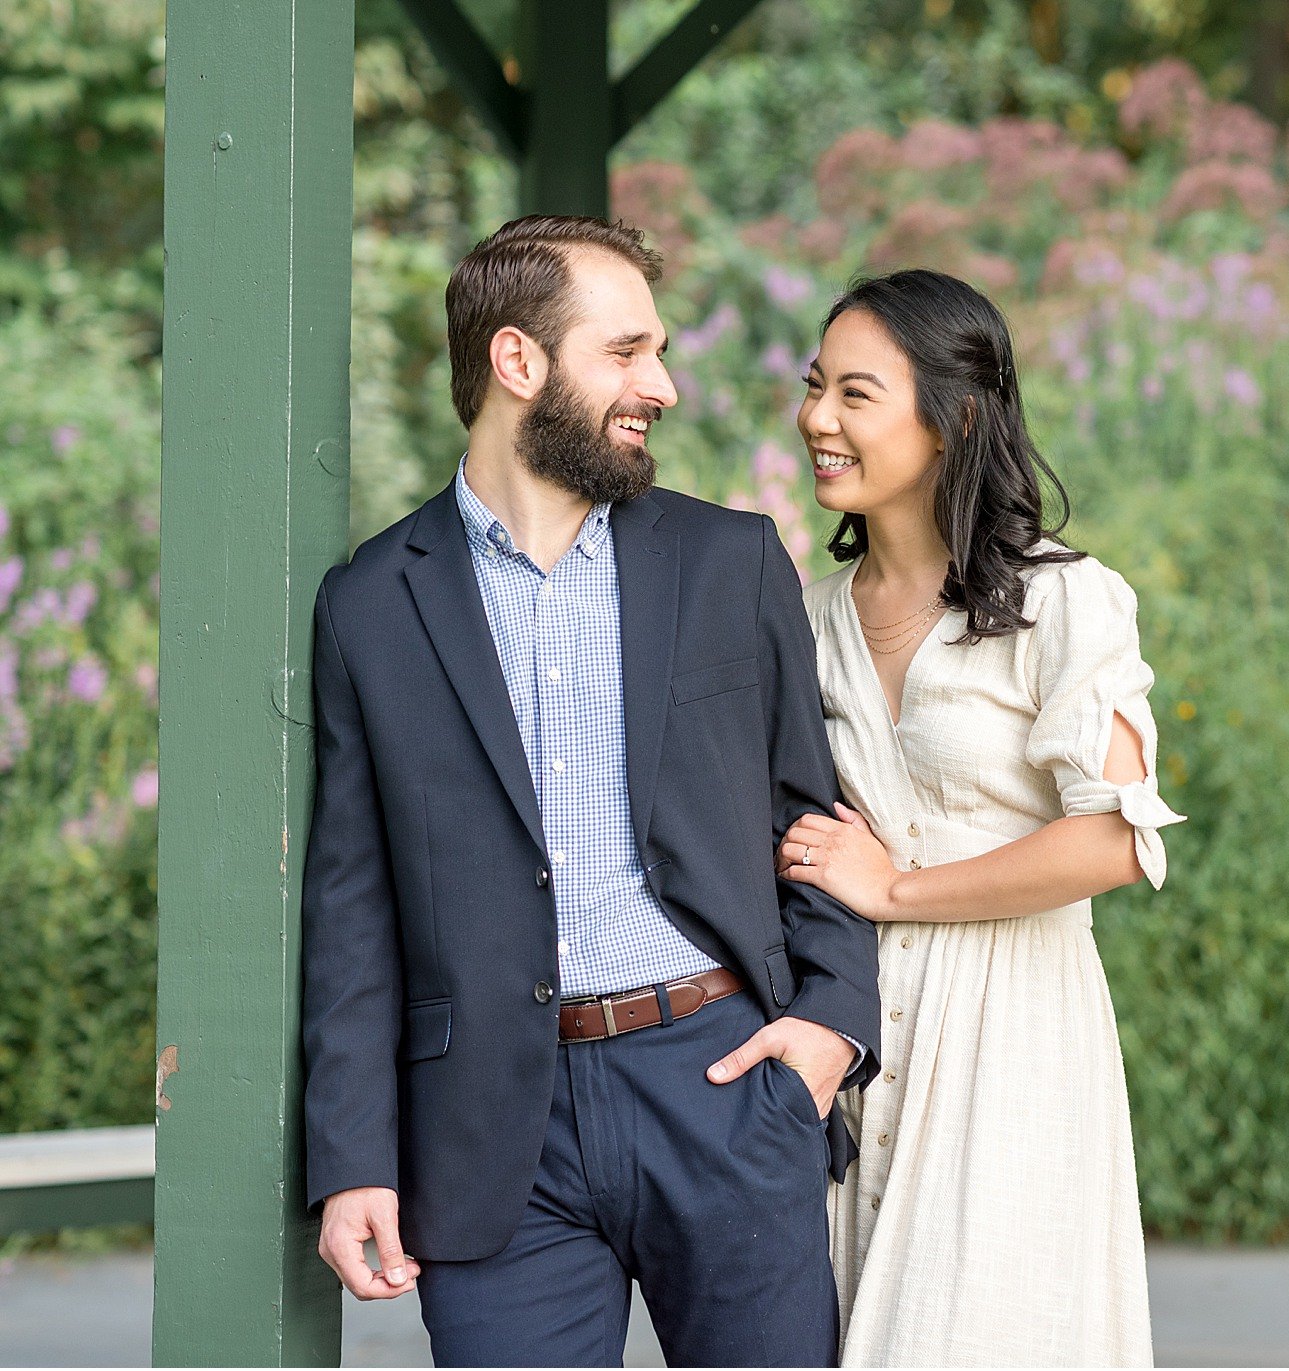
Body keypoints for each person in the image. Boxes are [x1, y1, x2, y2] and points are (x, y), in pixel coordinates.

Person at [299, 215, 880, 1368]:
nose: (659, 384)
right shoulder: (369, 603)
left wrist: (829, 1027)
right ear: (519, 363)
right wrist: (353, 1158)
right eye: (625, 353)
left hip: (719, 1083)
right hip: (485, 1132)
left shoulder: (729, 562)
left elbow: (810, 819)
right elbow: (351, 904)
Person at [781, 269, 1184, 1367]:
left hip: (1013, 1035)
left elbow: (1112, 839)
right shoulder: (801, 617)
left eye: (854, 395)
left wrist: (896, 888)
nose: (816, 417)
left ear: (953, 417)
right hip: (854, 1036)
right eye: (816, 387)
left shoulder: (1062, 601)